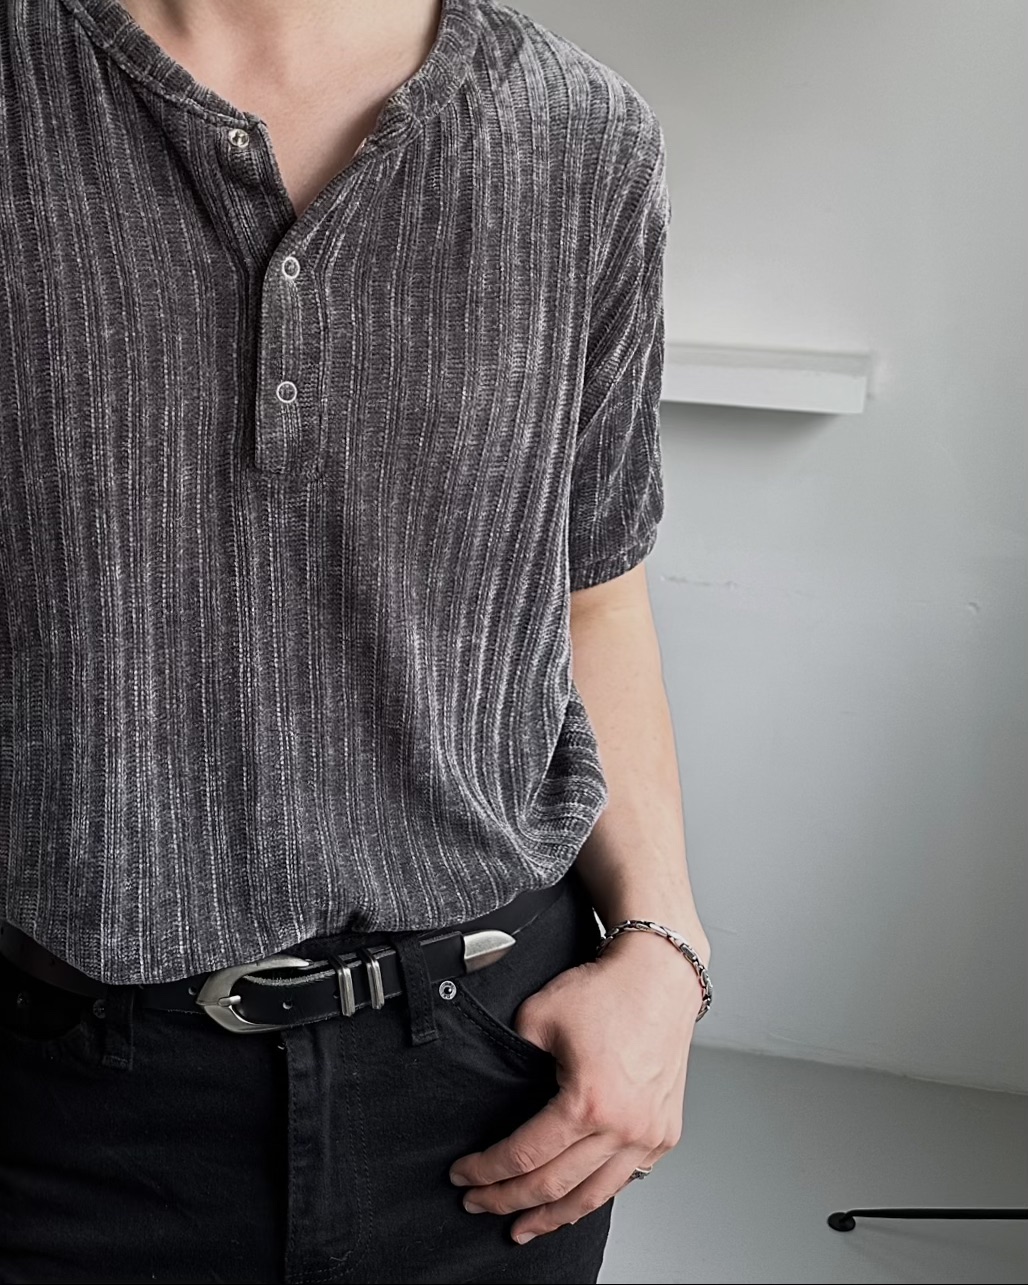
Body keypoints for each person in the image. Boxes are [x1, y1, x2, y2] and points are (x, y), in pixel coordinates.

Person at [0, 1, 712, 1281]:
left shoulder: (581, 134)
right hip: (54, 1087)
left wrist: (663, 950)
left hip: (487, 1077)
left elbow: (592, 592)